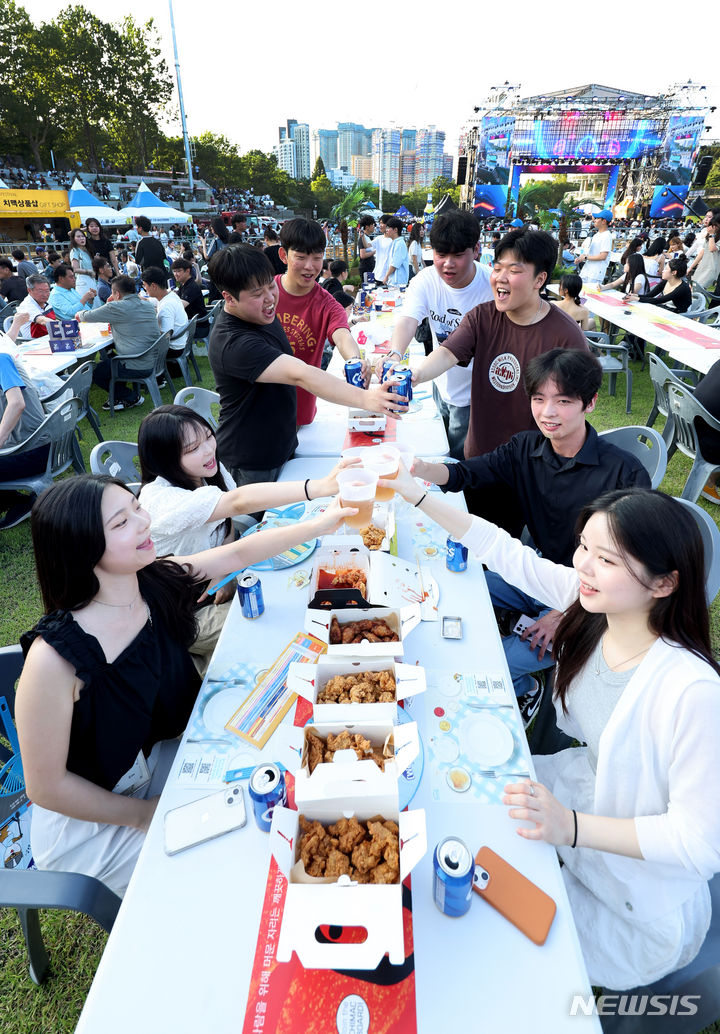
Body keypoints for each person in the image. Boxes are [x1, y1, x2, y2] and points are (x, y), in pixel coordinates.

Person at [387, 464, 720, 990]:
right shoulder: (596, 604)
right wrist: (410, 491)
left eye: (606, 559)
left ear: (664, 582)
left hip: (638, 901)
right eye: (584, 546)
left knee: (507, 962)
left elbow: (699, 842)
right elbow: (504, 551)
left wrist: (571, 827)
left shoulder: (691, 691)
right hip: (581, 798)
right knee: (456, 800)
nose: (583, 566)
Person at [14, 474, 352, 895]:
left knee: (273, 788)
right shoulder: (54, 660)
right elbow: (46, 787)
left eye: (136, 507)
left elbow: (238, 552)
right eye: (121, 523)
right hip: (90, 822)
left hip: (158, 761)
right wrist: (141, 814)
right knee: (223, 870)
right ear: (82, 548)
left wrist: (321, 525)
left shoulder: (151, 584)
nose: (144, 522)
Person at [412, 348, 650, 713]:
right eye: (538, 399)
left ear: (590, 403)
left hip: (591, 606)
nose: (547, 412)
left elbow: (629, 573)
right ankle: (517, 627)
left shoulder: (624, 475)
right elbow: (465, 473)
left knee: (490, 662)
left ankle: (525, 688)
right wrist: (414, 468)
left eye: (563, 400)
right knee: (447, 585)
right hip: (536, 573)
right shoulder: (526, 448)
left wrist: (564, 615)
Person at [207, 245, 403, 489]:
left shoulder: (261, 313)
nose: (270, 299)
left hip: (282, 443)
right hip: (252, 460)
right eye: (257, 294)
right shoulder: (234, 342)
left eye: (271, 287)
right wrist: (368, 399)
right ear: (229, 298)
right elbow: (302, 375)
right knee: (259, 524)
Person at [379, 210, 493, 460]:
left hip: (478, 395)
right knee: (439, 451)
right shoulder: (425, 280)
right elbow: (408, 320)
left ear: (476, 250)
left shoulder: (492, 286)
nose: (447, 264)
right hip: (439, 382)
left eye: (458, 255)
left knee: (462, 460)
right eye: (441, 254)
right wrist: (395, 353)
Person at [274, 218, 369, 426]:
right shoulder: (266, 295)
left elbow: (343, 336)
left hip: (301, 414)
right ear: (284, 255)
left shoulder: (326, 303)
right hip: (264, 411)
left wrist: (355, 360)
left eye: (317, 258)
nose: (309, 267)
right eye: (300, 257)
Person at [76, 274, 160, 411]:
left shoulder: (117, 307)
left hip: (136, 363)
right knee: (110, 357)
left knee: (96, 371)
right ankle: (120, 397)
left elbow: (85, 316)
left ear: (117, 293)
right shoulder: (147, 305)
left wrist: (79, 313)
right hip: (153, 359)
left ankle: (129, 396)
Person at [0, 347, 51, 528]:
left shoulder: (1, 359)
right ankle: (16, 501)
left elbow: (17, 403)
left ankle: (17, 502)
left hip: (34, 451)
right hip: (35, 446)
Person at [141, 266, 188, 338]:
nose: (145, 289)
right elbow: (152, 301)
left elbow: (165, 336)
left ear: (153, 286)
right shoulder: (170, 294)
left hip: (173, 346)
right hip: (181, 340)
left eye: (145, 285)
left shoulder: (166, 306)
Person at [171, 258, 209, 336]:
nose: (175, 274)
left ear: (188, 271)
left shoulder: (191, 287)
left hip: (198, 327)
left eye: (178, 271)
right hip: (190, 323)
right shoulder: (184, 284)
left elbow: (179, 306)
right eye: (174, 271)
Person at [575, 210, 612, 286]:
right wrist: (581, 258)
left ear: (604, 221)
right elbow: (591, 253)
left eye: (597, 218)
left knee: (590, 295)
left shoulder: (607, 236)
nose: (594, 220)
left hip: (596, 273)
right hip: (587, 270)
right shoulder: (596, 235)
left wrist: (585, 257)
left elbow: (603, 256)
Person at [13, 274, 55, 338]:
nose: (45, 294)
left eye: (47, 291)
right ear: (29, 290)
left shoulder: (46, 302)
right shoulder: (27, 305)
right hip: (34, 342)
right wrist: (62, 326)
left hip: (48, 337)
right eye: (40, 291)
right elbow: (42, 320)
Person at [688, 218, 720, 290]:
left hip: (711, 269)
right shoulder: (709, 237)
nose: (712, 227)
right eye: (711, 225)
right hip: (702, 266)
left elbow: (712, 249)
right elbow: (702, 252)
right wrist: (691, 267)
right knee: (692, 288)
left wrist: (711, 234)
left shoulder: (712, 236)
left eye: (715, 225)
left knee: (699, 290)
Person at [68, 228, 97, 299]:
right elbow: (75, 269)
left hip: (91, 280)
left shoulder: (87, 251)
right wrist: (88, 271)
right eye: (78, 237)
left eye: (83, 236)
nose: (82, 238)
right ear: (73, 239)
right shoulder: (75, 251)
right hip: (83, 282)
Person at [383, 217, 409, 288]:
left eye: (388, 228)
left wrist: (386, 276)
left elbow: (395, 264)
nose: (386, 230)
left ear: (395, 230)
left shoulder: (400, 244)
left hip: (398, 282)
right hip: (393, 281)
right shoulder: (395, 242)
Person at [370, 214, 392, 285]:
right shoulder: (378, 238)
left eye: (382, 223)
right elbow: (367, 245)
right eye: (380, 223)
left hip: (388, 276)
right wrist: (362, 236)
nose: (380, 225)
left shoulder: (394, 241)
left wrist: (387, 276)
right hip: (378, 274)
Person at [357, 214, 376, 280]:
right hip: (366, 269)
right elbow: (362, 255)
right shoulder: (362, 238)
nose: (374, 227)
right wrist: (374, 252)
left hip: (370, 268)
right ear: (367, 227)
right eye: (372, 225)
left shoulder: (367, 237)